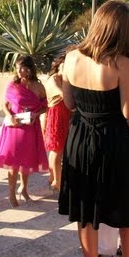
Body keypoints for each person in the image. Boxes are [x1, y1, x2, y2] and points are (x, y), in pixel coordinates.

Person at [59, 0, 129, 257]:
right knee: (128, 204)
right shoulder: (121, 63)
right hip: (112, 139)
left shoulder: (71, 57)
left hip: (80, 138)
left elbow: (69, 103)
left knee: (86, 208)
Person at [0, 55, 48, 207]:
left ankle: (24, 189)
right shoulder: (13, 85)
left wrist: (36, 114)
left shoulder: (39, 87)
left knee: (27, 160)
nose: (20, 71)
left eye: (23, 68)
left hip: (30, 127)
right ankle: (11, 194)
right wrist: (10, 116)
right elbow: (4, 105)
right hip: (14, 127)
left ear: (30, 69)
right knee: (13, 161)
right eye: (18, 68)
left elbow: (45, 106)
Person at [43, 51, 72, 191]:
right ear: (59, 65)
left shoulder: (64, 79)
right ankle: (57, 181)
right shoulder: (54, 79)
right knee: (56, 150)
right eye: (65, 65)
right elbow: (64, 95)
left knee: (57, 150)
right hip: (57, 116)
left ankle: (53, 178)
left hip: (64, 115)